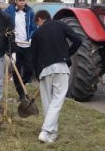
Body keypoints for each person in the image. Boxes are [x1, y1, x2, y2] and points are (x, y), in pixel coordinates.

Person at [30, 10, 82, 143]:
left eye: (37, 23)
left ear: (40, 19)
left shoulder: (36, 34)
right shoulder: (60, 25)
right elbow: (78, 40)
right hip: (61, 67)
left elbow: (33, 57)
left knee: (48, 102)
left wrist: (37, 73)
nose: (38, 26)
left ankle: (51, 135)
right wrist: (67, 53)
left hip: (44, 70)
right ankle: (46, 131)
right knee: (57, 101)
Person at [4, 0, 37, 101]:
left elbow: (33, 27)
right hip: (15, 45)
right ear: (16, 1)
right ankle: (21, 95)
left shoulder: (30, 12)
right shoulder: (9, 11)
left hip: (27, 45)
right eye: (20, 1)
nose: (22, 3)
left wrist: (31, 37)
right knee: (16, 70)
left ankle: (21, 84)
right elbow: (5, 23)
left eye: (24, 1)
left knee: (29, 69)